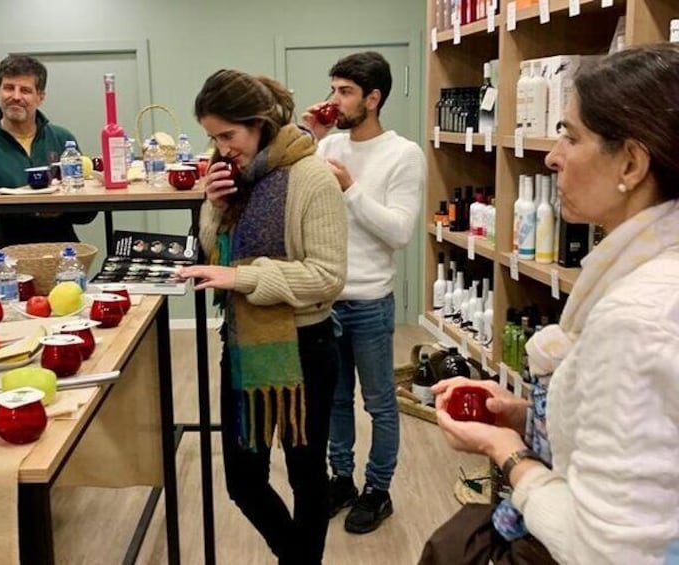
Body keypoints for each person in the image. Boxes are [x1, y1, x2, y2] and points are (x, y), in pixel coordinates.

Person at [424, 43, 679, 564]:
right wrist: (524, 416)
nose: (552, 156)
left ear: (631, 162)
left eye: (570, 134)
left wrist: (503, 451)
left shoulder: (638, 318)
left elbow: (605, 551)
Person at [177, 69, 347, 564]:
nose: (221, 148)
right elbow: (213, 250)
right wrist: (211, 207)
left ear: (259, 124)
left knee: (306, 477)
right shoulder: (233, 177)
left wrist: (245, 278)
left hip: (306, 348)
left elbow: (327, 276)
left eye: (228, 135)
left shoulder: (312, 176)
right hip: (244, 343)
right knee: (243, 482)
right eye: (213, 137)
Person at [301, 51, 426, 533]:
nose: (335, 99)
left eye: (345, 91)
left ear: (373, 99)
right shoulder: (327, 145)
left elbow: (399, 232)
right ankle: (342, 480)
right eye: (333, 89)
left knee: (378, 402)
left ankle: (378, 490)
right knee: (333, 399)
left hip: (371, 301)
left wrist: (351, 188)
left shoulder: (404, 153)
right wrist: (311, 135)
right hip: (325, 296)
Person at [0, 55, 95, 278]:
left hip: (62, 263)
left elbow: (87, 213)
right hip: (3, 270)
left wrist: (62, 208)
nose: (16, 97)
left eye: (25, 90)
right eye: (9, 88)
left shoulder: (62, 140)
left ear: (41, 97)